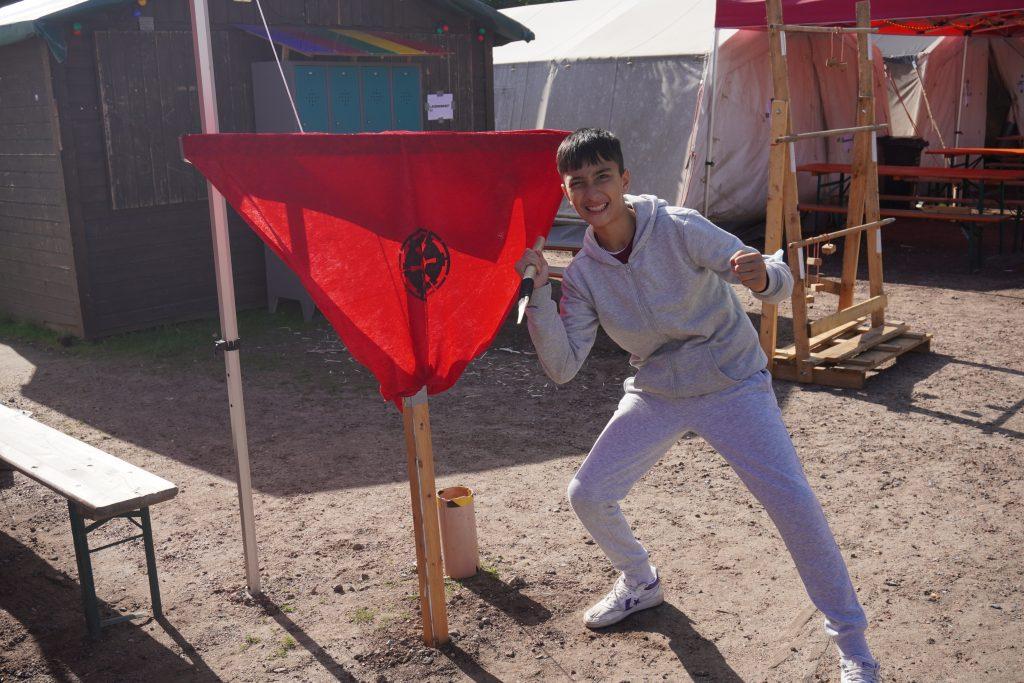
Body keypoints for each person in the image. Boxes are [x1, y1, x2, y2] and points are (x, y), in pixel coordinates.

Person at [516, 128, 880, 683]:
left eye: (602, 177)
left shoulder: (678, 227)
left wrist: (766, 277)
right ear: (566, 192)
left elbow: (771, 275)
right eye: (578, 183)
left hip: (732, 383)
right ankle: (640, 581)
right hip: (658, 391)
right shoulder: (584, 274)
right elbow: (563, 367)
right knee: (588, 493)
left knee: (794, 507)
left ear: (624, 179)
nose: (592, 193)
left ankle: (854, 647)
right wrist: (540, 293)